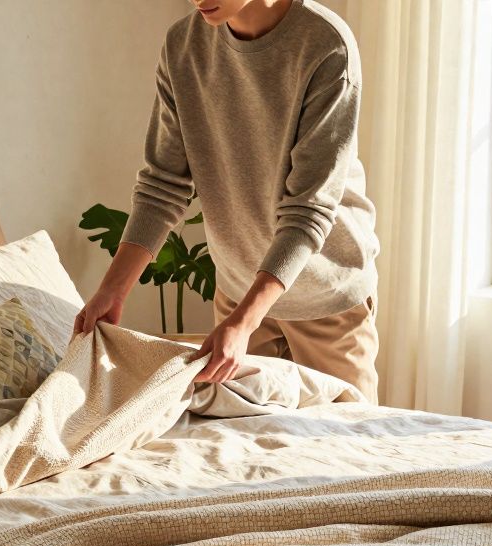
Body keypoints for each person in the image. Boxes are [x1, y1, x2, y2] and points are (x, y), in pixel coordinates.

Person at [72, 0, 380, 401]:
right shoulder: (183, 46)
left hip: (324, 301)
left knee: (346, 452)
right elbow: (162, 185)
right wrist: (112, 290)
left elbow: (308, 210)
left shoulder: (325, 44)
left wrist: (244, 323)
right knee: (246, 453)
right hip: (237, 291)